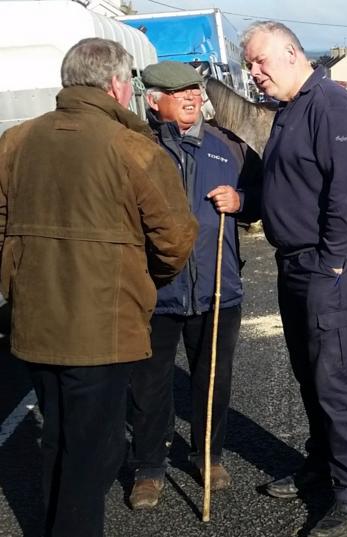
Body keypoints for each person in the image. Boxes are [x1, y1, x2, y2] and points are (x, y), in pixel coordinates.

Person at [0, 39, 197, 537]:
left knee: (58, 440)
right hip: (103, 330)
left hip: (34, 321)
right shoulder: (134, 149)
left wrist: (15, 279)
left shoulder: (17, 141)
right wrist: (142, 283)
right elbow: (174, 240)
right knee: (95, 451)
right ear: (115, 85)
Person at [242, 21, 347, 537]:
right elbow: (288, 186)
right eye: (250, 65)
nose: (254, 74)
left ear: (292, 53)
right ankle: (321, 464)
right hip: (293, 261)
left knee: (333, 375)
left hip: (326, 264)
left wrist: (335, 263)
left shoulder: (330, 105)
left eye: (260, 62)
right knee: (307, 370)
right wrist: (246, 203)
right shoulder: (288, 110)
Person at [127, 61, 261, 509]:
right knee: (148, 386)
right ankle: (148, 467)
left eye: (194, 89)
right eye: (178, 91)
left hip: (217, 289)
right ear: (153, 100)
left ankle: (208, 454)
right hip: (153, 293)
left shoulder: (227, 147)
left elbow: (261, 198)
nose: (191, 97)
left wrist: (241, 201)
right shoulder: (134, 149)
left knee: (212, 380)